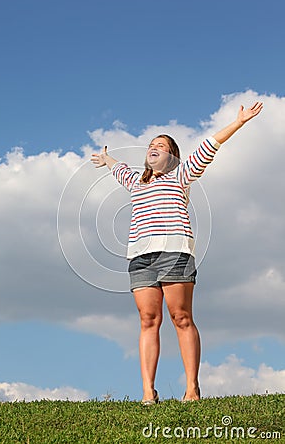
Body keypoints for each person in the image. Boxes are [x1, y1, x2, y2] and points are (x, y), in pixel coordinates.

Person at [90, 102, 263, 405]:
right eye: (152, 145)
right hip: (140, 258)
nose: (154, 147)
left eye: (162, 145)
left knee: (181, 317)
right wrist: (106, 158)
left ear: (172, 155)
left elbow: (210, 145)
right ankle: (147, 392)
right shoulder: (136, 182)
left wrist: (239, 122)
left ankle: (192, 389)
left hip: (175, 253)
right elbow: (118, 168)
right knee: (148, 320)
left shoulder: (182, 175)